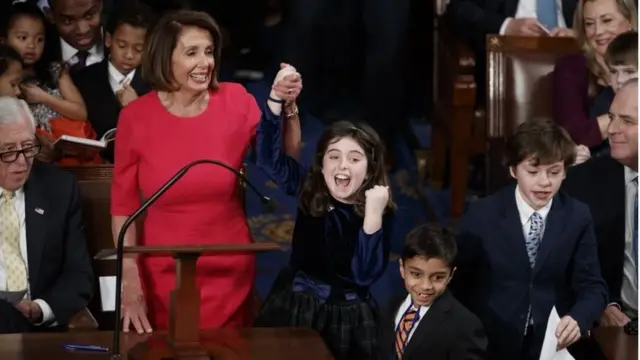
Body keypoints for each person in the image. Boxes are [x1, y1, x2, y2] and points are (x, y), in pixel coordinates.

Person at [111, 10, 302, 333]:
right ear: (164, 57)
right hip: (161, 270)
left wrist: (289, 108)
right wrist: (128, 275)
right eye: (192, 53)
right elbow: (123, 206)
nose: (206, 62)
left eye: (209, 51)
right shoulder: (135, 117)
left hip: (227, 267)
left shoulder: (236, 101)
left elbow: (283, 159)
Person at [452, 118, 608, 359]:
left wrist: (578, 318)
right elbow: (459, 284)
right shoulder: (482, 215)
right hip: (490, 341)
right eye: (533, 171)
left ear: (566, 171)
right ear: (513, 170)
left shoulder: (577, 216)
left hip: (552, 343)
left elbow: (593, 286)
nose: (544, 182)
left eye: (554, 172)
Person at [254, 118, 395, 359]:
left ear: (370, 169)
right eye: (334, 156)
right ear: (320, 163)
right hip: (299, 305)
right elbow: (268, 159)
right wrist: (276, 103)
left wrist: (372, 217)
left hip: (349, 319)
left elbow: (363, 275)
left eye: (354, 158)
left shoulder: (379, 210)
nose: (343, 166)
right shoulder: (311, 189)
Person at [0, 96, 93, 333]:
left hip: (38, 328)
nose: (22, 162)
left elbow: (79, 274)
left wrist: (41, 308)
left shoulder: (59, 189)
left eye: (28, 147)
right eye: (8, 151)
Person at [562, 79, 638, 328]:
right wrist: (601, 303)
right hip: (616, 326)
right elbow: (565, 264)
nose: (613, 129)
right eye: (612, 117)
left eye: (627, 121)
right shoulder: (583, 182)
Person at [377, 224, 487, 360]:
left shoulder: (464, 325)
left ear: (451, 275)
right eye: (416, 274)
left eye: (438, 277)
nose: (426, 286)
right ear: (402, 268)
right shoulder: (389, 308)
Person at [72, 2, 154, 162]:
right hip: (93, 170)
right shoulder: (83, 80)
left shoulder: (157, 83)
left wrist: (137, 108)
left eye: (139, 49)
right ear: (108, 39)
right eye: (122, 45)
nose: (129, 55)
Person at [552, 0, 636, 153]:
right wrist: (628, 119)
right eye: (589, 23)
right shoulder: (571, 68)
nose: (597, 31)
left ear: (629, 19)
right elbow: (572, 136)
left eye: (607, 20)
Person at [44, 0, 104, 71]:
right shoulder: (39, 53)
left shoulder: (115, 31)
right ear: (50, 16)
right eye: (68, 21)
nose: (83, 30)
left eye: (89, 16)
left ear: (101, 5)